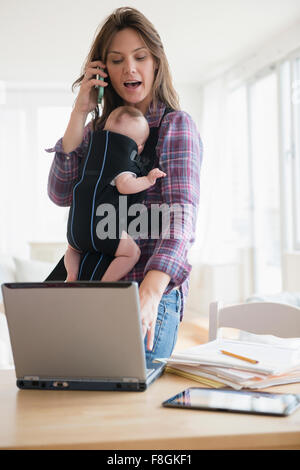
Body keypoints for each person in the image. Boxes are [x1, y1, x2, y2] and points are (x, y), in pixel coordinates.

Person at [46, 7, 203, 363]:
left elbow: (181, 217)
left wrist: (150, 291)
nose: (129, 68)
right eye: (116, 60)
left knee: (124, 397)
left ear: (156, 64)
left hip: (149, 286)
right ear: (103, 71)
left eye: (140, 57)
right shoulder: (94, 133)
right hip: (92, 286)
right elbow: (59, 193)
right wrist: (80, 111)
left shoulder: (175, 126)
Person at [64, 105, 166, 282]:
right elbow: (125, 186)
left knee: (73, 249)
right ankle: (105, 284)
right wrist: (148, 180)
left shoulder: (91, 155)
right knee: (132, 253)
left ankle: (71, 276)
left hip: (75, 229)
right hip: (102, 227)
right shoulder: (122, 162)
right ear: (138, 147)